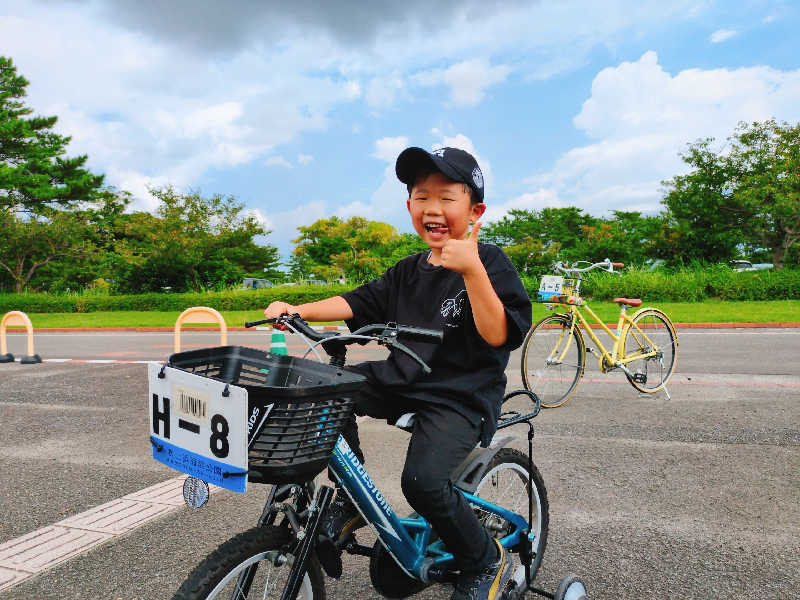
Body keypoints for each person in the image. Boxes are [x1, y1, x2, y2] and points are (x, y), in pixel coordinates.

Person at [264, 146, 532, 600]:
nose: (433, 208)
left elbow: (498, 333)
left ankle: (485, 559)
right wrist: (296, 308)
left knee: (422, 483)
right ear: (410, 206)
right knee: (326, 392)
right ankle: (350, 500)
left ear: (475, 210)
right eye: (421, 196)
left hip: (459, 396)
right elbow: (357, 301)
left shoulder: (489, 262)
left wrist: (471, 271)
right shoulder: (409, 270)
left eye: (447, 197)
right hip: (405, 378)